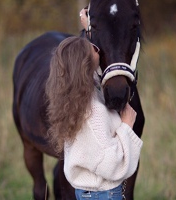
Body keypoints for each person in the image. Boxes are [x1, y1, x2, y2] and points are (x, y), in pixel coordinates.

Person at [45, 34, 143, 199]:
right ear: (85, 62)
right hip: (104, 195)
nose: (99, 48)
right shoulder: (94, 112)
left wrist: (89, 25)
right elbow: (112, 164)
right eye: (94, 48)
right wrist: (126, 126)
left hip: (90, 193)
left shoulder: (78, 97)